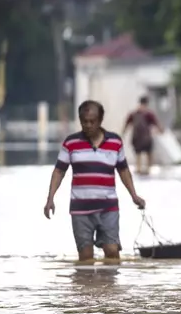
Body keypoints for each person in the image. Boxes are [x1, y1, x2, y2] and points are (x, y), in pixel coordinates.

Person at [44, 100, 146, 263]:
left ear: (100, 121)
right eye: (84, 122)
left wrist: (134, 195)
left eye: (92, 122)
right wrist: (50, 199)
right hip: (80, 210)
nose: (88, 125)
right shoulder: (71, 143)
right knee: (85, 258)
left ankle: (108, 289)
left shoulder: (115, 142)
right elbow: (59, 171)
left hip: (108, 208)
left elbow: (123, 170)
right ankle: (88, 289)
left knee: (112, 252)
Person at [122, 96, 164, 175]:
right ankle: (147, 169)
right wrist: (161, 130)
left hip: (136, 137)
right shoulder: (149, 113)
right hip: (146, 138)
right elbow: (156, 123)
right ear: (147, 103)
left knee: (138, 153)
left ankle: (138, 168)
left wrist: (123, 133)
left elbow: (126, 124)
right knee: (148, 153)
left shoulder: (133, 113)